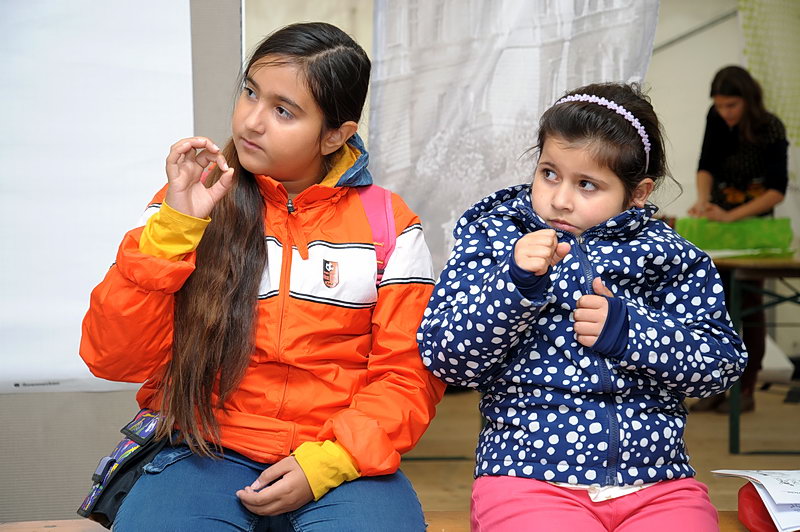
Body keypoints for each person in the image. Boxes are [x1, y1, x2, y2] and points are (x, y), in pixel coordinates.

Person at [80, 22, 445, 531]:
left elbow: (406, 376)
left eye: (283, 111)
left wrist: (330, 461)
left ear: (335, 135)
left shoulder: (391, 225)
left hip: (341, 458)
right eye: (250, 92)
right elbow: (112, 358)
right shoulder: (190, 202)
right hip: (202, 446)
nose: (251, 122)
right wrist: (172, 232)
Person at [418, 83, 747, 531]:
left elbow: (721, 365)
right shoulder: (495, 236)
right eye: (549, 173)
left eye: (587, 184)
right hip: (527, 476)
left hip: (658, 481)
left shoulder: (673, 256)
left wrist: (631, 333)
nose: (560, 199)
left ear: (638, 192)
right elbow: (446, 358)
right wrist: (513, 286)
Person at [688, 65, 788, 414]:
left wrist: (732, 215)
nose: (725, 112)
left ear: (747, 100)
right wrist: (704, 201)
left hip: (753, 230)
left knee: (750, 306)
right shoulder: (715, 119)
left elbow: (776, 190)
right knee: (715, 307)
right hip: (719, 224)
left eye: (731, 105)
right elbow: (705, 165)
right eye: (719, 105)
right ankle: (716, 385)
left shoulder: (770, 127)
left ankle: (746, 388)